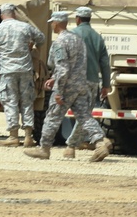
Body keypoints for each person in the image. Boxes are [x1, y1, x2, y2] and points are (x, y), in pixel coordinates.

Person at [26, 11, 111, 162]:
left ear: (57, 23)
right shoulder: (78, 40)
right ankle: (100, 143)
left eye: (52, 22)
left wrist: (58, 90)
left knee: (52, 117)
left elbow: (63, 68)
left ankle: (44, 149)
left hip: (66, 87)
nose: (51, 25)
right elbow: (78, 64)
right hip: (81, 85)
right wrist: (54, 77)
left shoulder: (60, 42)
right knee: (84, 116)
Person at [0, 3, 45, 147]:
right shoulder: (25, 27)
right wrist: (32, 46)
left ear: (1, 15)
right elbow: (41, 38)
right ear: (15, 14)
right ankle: (29, 137)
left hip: (7, 71)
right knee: (27, 101)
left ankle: (13, 137)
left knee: (10, 101)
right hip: (25, 70)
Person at [64, 6, 112, 159]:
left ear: (77, 19)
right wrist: (106, 84)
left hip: (76, 81)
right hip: (92, 82)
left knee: (82, 115)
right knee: (84, 114)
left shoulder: (72, 35)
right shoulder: (97, 37)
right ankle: (71, 147)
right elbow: (105, 63)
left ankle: (99, 141)